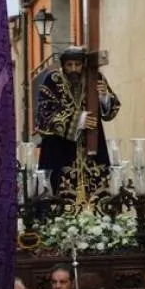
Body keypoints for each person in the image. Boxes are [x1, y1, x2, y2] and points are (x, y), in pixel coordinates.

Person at [35, 46, 120, 194]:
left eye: (77, 65)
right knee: (58, 197)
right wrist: (78, 121)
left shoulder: (96, 78)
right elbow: (44, 116)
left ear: (83, 64)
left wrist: (104, 97)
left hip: (91, 150)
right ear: (63, 65)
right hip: (59, 151)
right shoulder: (52, 80)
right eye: (69, 65)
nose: (74, 69)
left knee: (96, 197)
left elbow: (110, 112)